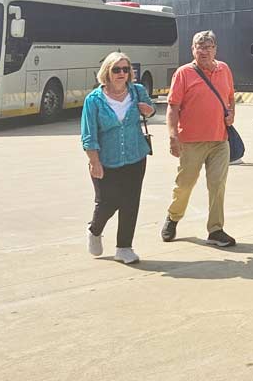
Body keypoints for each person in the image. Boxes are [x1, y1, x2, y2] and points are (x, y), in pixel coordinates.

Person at [161, 30, 237, 248]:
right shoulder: (183, 73)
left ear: (215, 49)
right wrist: (173, 136)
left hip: (219, 139)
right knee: (185, 185)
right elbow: (173, 107)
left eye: (208, 47)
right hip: (191, 141)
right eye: (199, 47)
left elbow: (230, 97)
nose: (204, 51)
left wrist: (232, 113)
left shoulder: (224, 69)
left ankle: (215, 229)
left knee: (217, 185)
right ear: (192, 50)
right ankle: (173, 217)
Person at [81, 52, 156, 265]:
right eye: (116, 69)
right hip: (106, 159)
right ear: (107, 72)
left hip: (135, 155)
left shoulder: (138, 91)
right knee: (107, 201)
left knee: (130, 201)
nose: (121, 73)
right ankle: (94, 230)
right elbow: (88, 134)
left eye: (125, 69)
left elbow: (150, 110)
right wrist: (94, 161)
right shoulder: (94, 100)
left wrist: (149, 111)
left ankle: (124, 247)